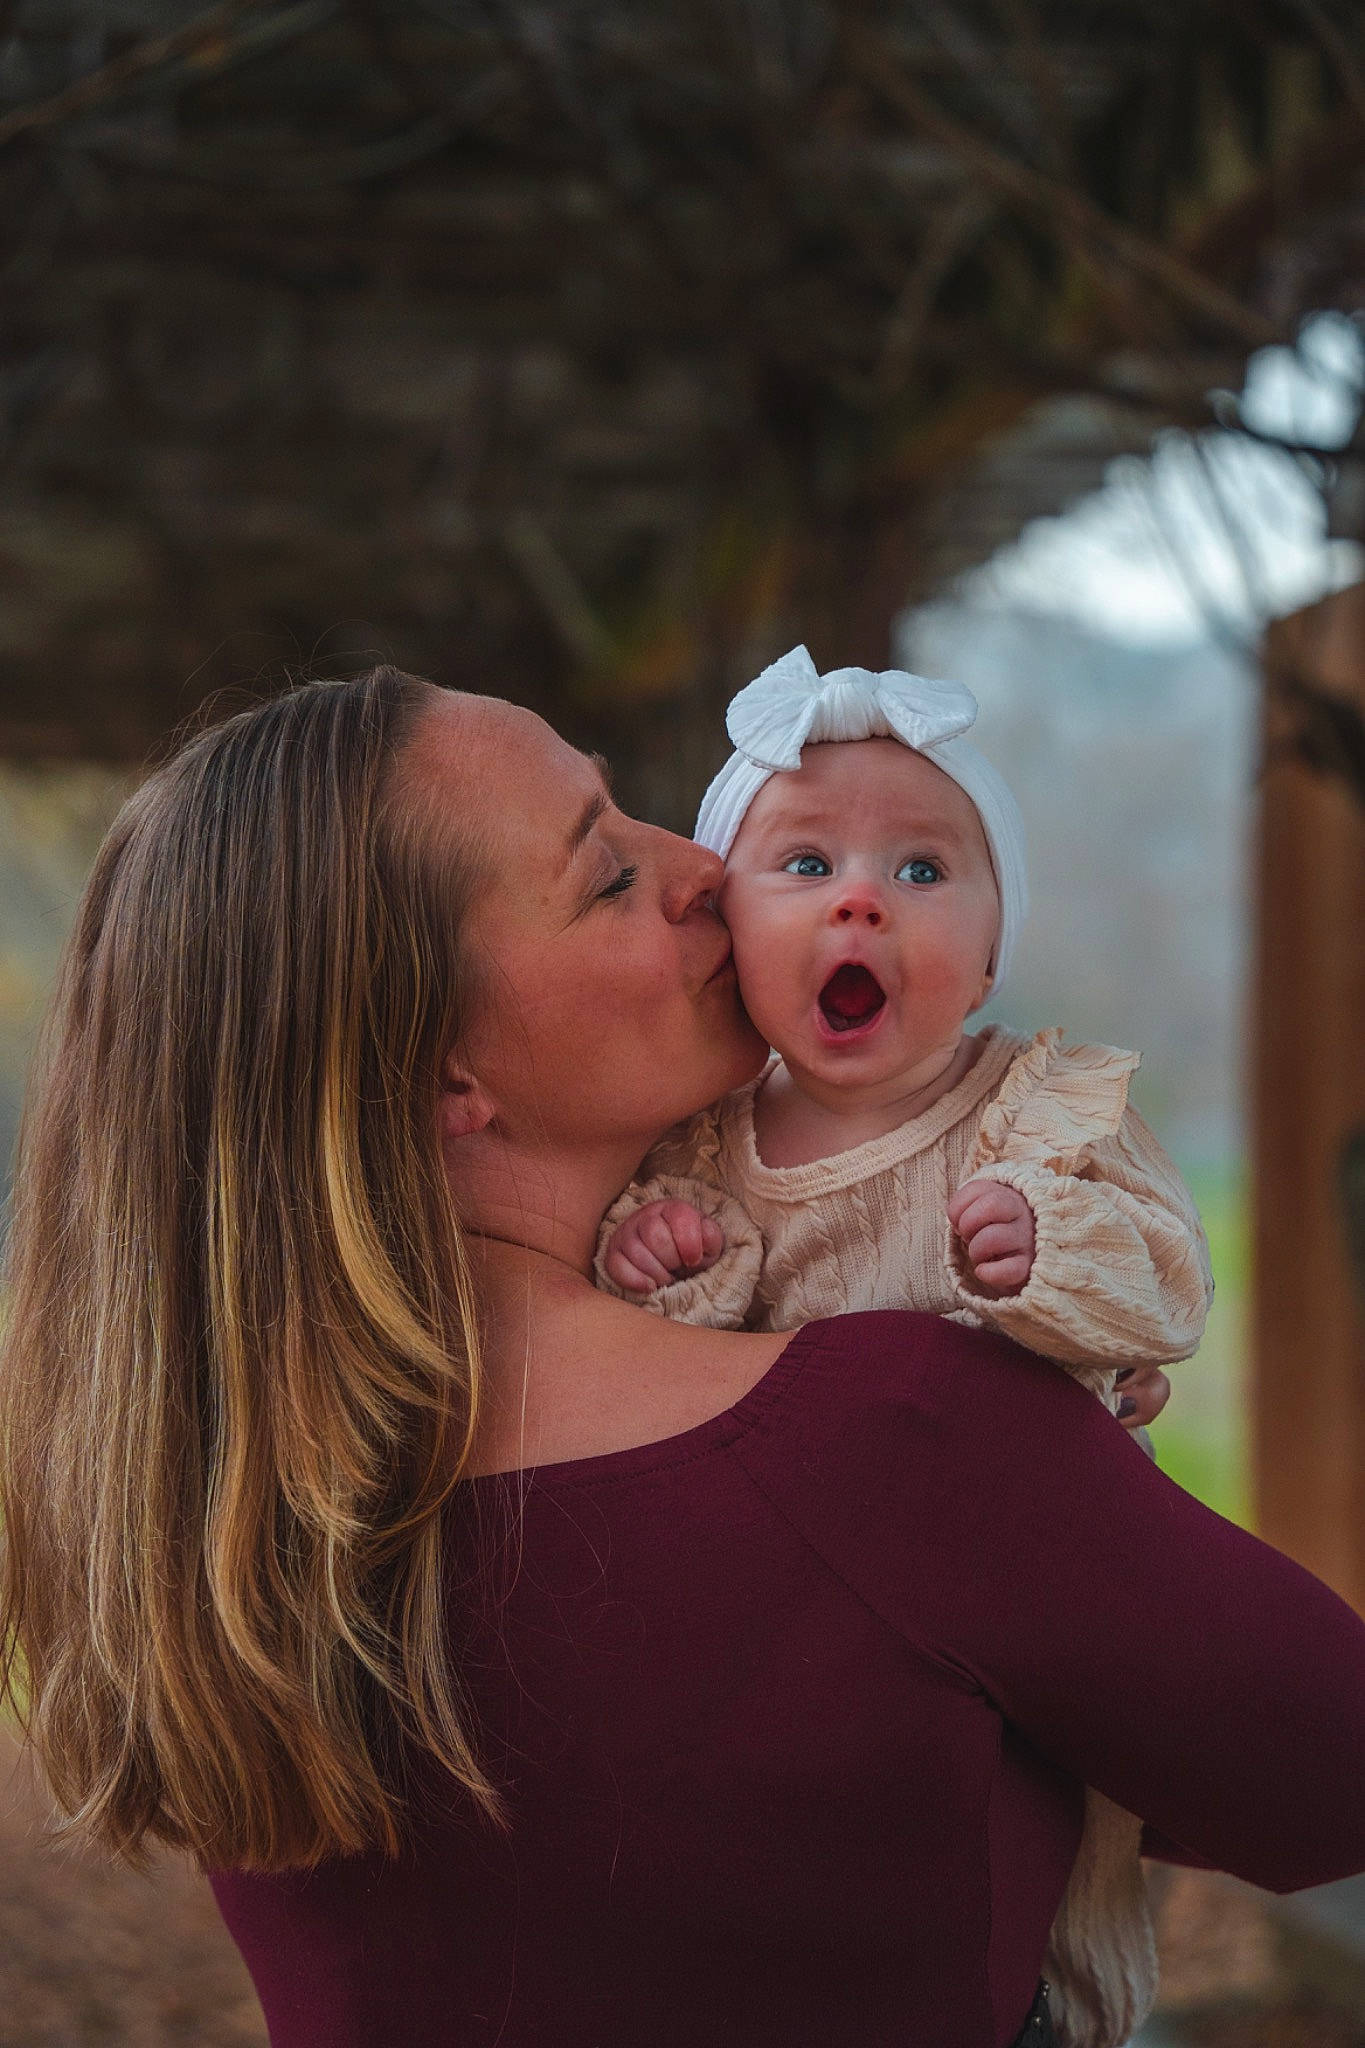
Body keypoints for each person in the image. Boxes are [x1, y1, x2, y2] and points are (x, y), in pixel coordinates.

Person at [3, 667, 1365, 2048]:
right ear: (443, 1075)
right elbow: (1327, 1780)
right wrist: (1070, 1520)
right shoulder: (902, 1439)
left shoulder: (220, 1528)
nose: (703, 868)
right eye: (607, 875)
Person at [595, 646, 1214, 2044]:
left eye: (923, 870)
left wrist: (1053, 1250)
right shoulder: (694, 1148)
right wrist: (662, 1265)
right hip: (791, 1645)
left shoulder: (1041, 1111)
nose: (862, 897)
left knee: (1025, 1876)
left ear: (991, 951)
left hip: (1025, 1615)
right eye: (805, 864)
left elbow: (1171, 1282)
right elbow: (654, 1389)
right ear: (728, 930)